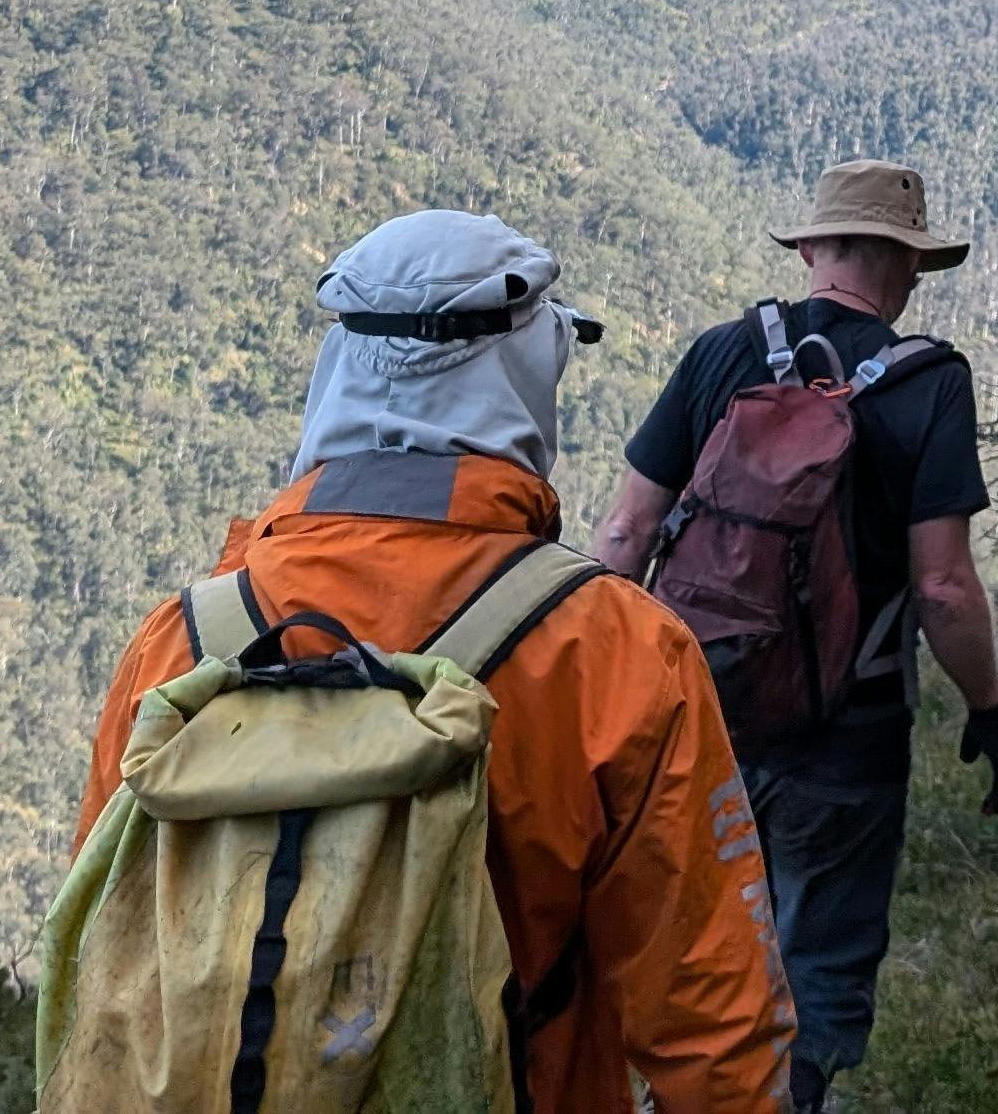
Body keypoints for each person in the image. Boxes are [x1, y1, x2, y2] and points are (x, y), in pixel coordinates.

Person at [67, 209, 793, 1114]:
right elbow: (716, 1027)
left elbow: (104, 962)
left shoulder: (179, 647)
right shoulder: (616, 653)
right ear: (527, 377)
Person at [594, 161, 998, 1114]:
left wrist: (606, 694)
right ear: (905, 267)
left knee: (696, 955)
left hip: (702, 715)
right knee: (812, 973)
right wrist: (990, 708)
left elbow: (622, 536)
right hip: (849, 737)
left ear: (814, 249)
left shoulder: (717, 353)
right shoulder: (931, 383)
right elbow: (944, 587)